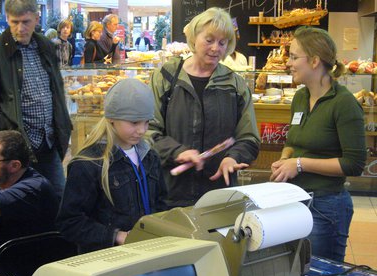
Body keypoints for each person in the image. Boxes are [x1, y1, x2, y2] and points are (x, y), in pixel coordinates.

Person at [270, 26, 367, 262]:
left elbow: (354, 164)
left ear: (314, 61)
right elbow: (292, 141)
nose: (288, 63)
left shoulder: (344, 104)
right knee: (296, 273)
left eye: (294, 57)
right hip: (296, 200)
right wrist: (286, 159)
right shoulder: (301, 97)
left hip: (327, 207)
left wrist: (300, 164)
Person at [148, 7, 261, 208]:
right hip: (171, 193)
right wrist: (177, 152)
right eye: (209, 40)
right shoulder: (165, 78)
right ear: (194, 38)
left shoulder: (234, 85)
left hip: (219, 195)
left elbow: (249, 138)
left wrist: (232, 157)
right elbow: (149, 131)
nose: (216, 48)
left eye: (222, 42)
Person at [57, 78, 167, 254]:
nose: (142, 130)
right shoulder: (87, 163)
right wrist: (116, 236)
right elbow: (70, 222)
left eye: (146, 122)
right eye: (134, 122)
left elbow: (161, 202)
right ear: (111, 119)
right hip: (106, 258)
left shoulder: (149, 156)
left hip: (146, 251)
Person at [0, 0, 72, 201]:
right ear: (7, 18)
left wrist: (63, 126)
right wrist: (11, 132)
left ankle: (55, 233)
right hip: (17, 147)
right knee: (21, 202)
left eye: (26, 21)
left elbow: (56, 91)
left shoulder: (45, 46)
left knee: (58, 197)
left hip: (49, 140)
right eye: (14, 22)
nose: (20, 28)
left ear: (36, 18)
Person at [0, 130, 59, 251]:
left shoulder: (33, 189)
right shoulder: (2, 180)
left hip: (34, 267)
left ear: (15, 165)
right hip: (8, 263)